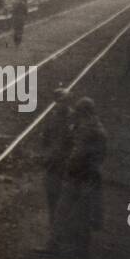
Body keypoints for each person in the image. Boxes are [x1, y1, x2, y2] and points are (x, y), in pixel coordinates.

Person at [49, 97, 107, 259]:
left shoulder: (87, 130)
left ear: (84, 113)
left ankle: (57, 246)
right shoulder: (97, 128)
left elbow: (78, 154)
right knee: (83, 214)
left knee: (65, 211)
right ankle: (79, 250)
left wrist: (67, 167)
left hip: (79, 176)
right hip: (89, 176)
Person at [38, 89, 74, 230]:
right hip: (52, 162)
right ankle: (55, 233)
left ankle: (61, 235)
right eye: (58, 102)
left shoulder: (73, 118)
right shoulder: (53, 117)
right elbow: (45, 137)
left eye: (63, 102)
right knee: (52, 197)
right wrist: (45, 153)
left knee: (64, 200)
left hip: (66, 165)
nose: (59, 105)